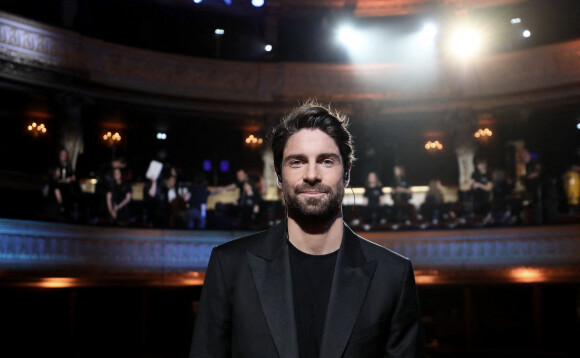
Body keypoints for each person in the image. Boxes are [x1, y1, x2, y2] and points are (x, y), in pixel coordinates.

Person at [190, 101, 423, 358]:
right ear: (279, 177)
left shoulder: (393, 275)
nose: (312, 174)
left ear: (346, 174)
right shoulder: (229, 267)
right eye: (297, 162)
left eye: (326, 161)